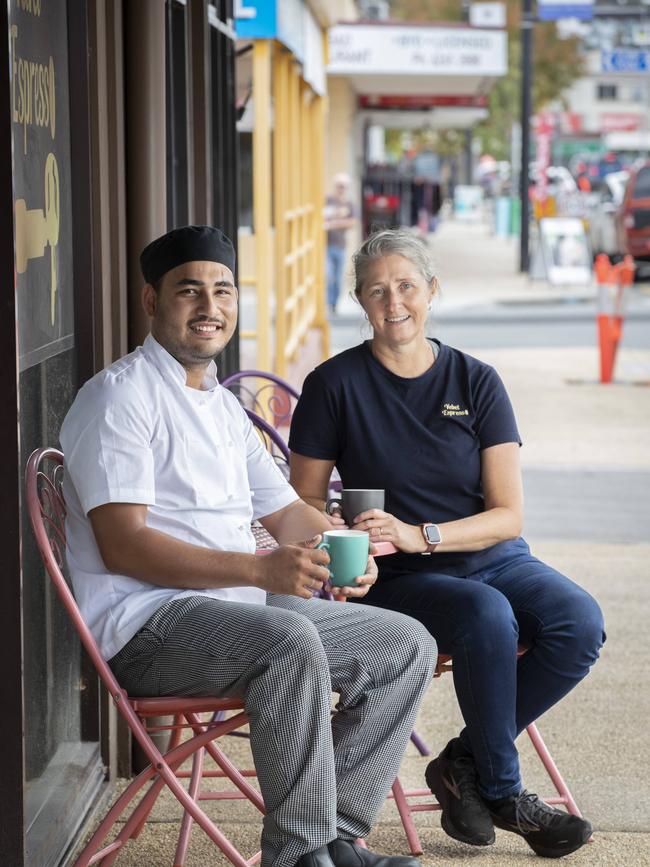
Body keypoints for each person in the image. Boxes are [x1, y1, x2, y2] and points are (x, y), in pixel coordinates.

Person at [60, 225, 437, 867]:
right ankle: (297, 853)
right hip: (145, 623)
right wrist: (262, 568)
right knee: (287, 641)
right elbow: (123, 547)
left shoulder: (222, 404)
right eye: (190, 292)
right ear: (152, 302)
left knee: (405, 643)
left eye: (223, 291)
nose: (210, 308)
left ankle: (335, 834)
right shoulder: (119, 398)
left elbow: (287, 511)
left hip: (237, 609)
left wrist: (343, 547)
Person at [288, 228, 605, 860]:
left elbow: (508, 515)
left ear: (432, 290)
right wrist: (352, 537)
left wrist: (422, 533)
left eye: (406, 285)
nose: (393, 301)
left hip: (491, 557)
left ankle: (463, 763)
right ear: (359, 299)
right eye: (377, 290)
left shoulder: (477, 380)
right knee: (487, 617)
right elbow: (300, 502)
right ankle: (506, 792)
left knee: (578, 622)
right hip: (401, 580)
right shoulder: (333, 385)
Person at [324, 173, 356, 314]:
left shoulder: (349, 204)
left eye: (343, 186)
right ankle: (328, 301)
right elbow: (320, 216)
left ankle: (334, 303)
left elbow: (352, 222)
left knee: (337, 277)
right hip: (325, 245)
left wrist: (333, 223)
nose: (341, 189)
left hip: (340, 245)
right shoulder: (327, 201)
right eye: (339, 186)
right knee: (328, 274)